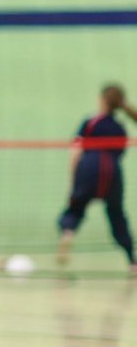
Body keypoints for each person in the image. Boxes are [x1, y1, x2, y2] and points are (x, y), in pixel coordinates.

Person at [55, 84, 137, 274]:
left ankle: (68, 231)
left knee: (76, 207)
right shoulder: (120, 128)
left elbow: (75, 152)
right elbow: (118, 155)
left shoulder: (91, 122)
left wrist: (72, 184)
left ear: (102, 100)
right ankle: (132, 260)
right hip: (112, 173)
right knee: (117, 215)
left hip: (89, 169)